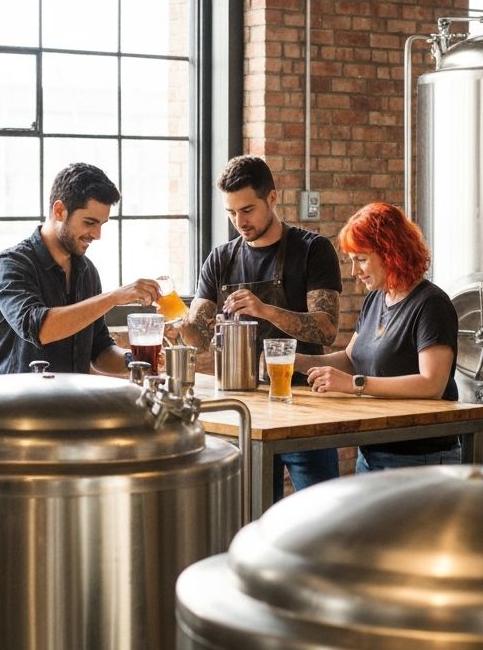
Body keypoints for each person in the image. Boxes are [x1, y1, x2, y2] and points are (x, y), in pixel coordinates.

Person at [177, 154, 343, 501]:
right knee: (251, 516)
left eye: (248, 210)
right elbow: (201, 339)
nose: (240, 221)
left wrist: (266, 310)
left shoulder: (313, 250)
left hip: (304, 408)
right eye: (231, 212)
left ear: (272, 197)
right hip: (244, 409)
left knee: (321, 513)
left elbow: (326, 329)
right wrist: (179, 327)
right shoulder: (220, 259)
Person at [296, 201, 460, 472]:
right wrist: (298, 360)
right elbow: (351, 358)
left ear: (391, 252)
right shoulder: (376, 299)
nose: (354, 272)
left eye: (361, 259)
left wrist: (354, 384)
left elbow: (432, 384)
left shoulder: (432, 304)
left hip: (421, 456)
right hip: (373, 451)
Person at [0, 162, 160, 375]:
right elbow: (41, 329)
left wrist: (135, 360)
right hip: (19, 406)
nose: (97, 235)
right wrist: (114, 297)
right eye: (89, 222)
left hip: (73, 406)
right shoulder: (10, 265)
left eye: (101, 224)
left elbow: (99, 351)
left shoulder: (87, 271)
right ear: (59, 211)